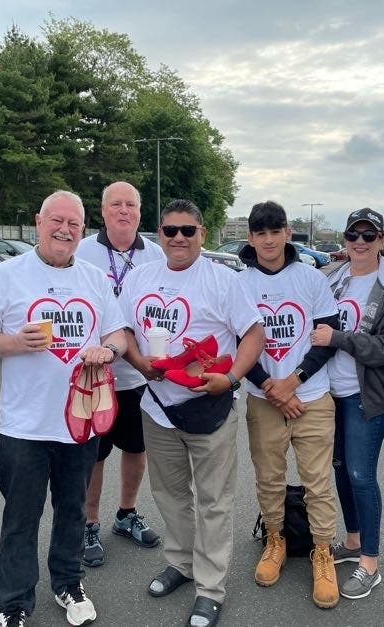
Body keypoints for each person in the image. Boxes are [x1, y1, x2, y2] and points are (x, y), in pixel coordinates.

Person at [0, 190, 128, 627]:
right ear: (38, 221)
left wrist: (108, 350)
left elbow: (119, 333)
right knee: (21, 516)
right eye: (56, 221)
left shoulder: (95, 280)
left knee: (73, 510)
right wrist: (15, 343)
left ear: (83, 230)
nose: (64, 230)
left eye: (74, 224)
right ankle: (13, 603)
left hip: (79, 422)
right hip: (25, 425)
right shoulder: (6, 276)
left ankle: (68, 582)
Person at [119, 199, 264, 627]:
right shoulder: (141, 277)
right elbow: (125, 328)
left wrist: (233, 378)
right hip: (158, 409)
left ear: (202, 233)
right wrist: (138, 361)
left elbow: (253, 333)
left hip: (209, 410)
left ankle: (210, 588)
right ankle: (181, 564)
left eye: (187, 230)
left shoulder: (223, 280)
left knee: (214, 502)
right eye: (169, 231)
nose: (178, 238)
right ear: (158, 234)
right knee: (170, 495)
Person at [236, 201, 341, 609]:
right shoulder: (239, 283)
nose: (267, 239)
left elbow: (328, 335)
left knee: (317, 481)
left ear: (287, 232)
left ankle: (322, 551)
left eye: (274, 231)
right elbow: (236, 344)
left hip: (311, 396)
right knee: (269, 478)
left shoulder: (311, 279)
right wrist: (270, 386)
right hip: (264, 400)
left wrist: (293, 382)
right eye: (259, 232)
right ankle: (274, 539)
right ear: (251, 237)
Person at [310, 207, 384, 600]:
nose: (361, 243)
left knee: (361, 473)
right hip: (328, 392)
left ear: (382, 241)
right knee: (340, 469)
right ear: (345, 240)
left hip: (365, 395)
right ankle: (352, 540)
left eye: (370, 236)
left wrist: (339, 339)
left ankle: (370, 560)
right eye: (354, 236)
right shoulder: (333, 278)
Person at [75, 181, 165, 567]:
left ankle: (126, 513)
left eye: (130, 204)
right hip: (95, 372)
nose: (123, 210)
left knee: (136, 448)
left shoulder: (156, 253)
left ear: (139, 212)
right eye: (116, 204)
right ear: (103, 210)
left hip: (140, 376)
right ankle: (88, 523)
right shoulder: (83, 251)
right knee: (94, 453)